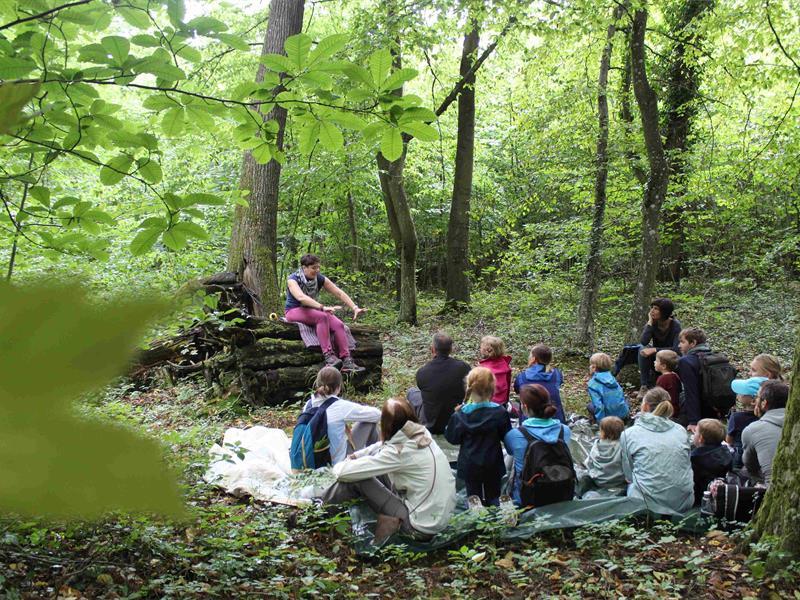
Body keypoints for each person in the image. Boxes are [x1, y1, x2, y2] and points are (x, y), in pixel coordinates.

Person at [321, 397, 457, 543]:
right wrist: (359, 455)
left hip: (418, 527)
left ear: (386, 425)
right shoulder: (421, 433)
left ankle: (321, 509)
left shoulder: (398, 453)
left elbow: (343, 473)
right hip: (437, 518)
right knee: (368, 466)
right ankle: (324, 504)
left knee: (358, 479)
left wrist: (342, 464)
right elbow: (382, 445)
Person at [284, 253, 367, 372]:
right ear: (304, 267)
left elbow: (339, 292)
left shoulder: (319, 278)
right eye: (313, 268)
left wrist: (354, 307)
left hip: (311, 310)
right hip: (293, 311)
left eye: (318, 267)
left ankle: (346, 360)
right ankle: (329, 357)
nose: (317, 270)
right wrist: (322, 307)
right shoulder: (293, 279)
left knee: (339, 324)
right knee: (322, 317)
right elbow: (301, 297)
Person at [445, 367, 512, 506]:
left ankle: (476, 515)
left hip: (470, 464)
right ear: (492, 388)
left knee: (473, 495)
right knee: (494, 494)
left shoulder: (461, 415)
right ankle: (498, 512)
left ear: (469, 387)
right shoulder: (500, 412)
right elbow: (506, 436)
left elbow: (452, 438)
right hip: (493, 462)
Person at [620, 387, 694, 512]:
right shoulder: (680, 430)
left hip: (646, 505)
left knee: (631, 484)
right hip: (683, 502)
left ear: (645, 407)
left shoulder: (629, 434)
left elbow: (629, 473)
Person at [503, 384, 572, 506]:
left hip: (528, 497)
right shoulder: (564, 430)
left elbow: (509, 452)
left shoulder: (515, 435)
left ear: (524, 406)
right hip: (562, 493)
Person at [299, 366, 381, 466]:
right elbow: (377, 415)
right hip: (338, 464)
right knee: (369, 422)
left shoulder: (308, 405)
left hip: (309, 463)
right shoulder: (340, 406)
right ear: (338, 387)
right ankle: (376, 462)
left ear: (317, 384)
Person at [612, 298, 682, 395]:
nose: (652, 311)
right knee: (642, 349)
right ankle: (644, 386)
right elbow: (644, 342)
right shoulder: (653, 323)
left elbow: (677, 350)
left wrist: (654, 349)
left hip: (671, 356)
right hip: (657, 356)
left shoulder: (675, 325)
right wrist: (649, 323)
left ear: (664, 312)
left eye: (656, 309)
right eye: (652, 308)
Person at [407, 333, 471, 434]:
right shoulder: (464, 367)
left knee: (411, 392)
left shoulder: (423, 372)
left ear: (433, 349)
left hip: (432, 424)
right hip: (456, 418)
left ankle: (416, 426)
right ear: (451, 349)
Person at [741, 380, 788, 486]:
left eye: (757, 397)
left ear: (764, 403)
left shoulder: (753, 430)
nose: (754, 401)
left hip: (773, 493)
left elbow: (750, 467)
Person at [513, 344, 565, 423]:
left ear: (533, 359)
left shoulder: (522, 377)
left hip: (528, 423)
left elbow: (517, 390)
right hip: (556, 420)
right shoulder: (557, 374)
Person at [676, 327, 714, 433]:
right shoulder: (712, 356)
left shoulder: (686, 361)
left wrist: (693, 421)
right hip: (715, 410)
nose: (679, 345)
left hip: (699, 412)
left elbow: (691, 392)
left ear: (693, 343)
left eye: (682, 342)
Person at [579, 416, 626, 499]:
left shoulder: (596, 445)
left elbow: (589, 463)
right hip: (619, 481)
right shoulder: (623, 446)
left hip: (599, 481)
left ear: (603, 432)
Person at [690, 419, 733, 505]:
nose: (693, 435)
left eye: (695, 433)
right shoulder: (726, 452)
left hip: (700, 497)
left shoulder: (696, 458)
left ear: (700, 439)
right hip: (720, 494)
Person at [726, 377, 762, 469]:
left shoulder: (736, 417)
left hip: (740, 456)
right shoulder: (764, 417)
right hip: (759, 456)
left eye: (742, 393)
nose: (738, 395)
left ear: (753, 401)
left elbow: (729, 440)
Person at [586, 352, 628, 423]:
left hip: (608, 417)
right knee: (626, 400)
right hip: (622, 415)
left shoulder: (593, 384)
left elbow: (599, 406)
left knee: (590, 405)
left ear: (594, 367)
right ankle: (625, 417)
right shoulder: (612, 379)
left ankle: (594, 421)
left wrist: (602, 423)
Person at [477, 336, 513, 409]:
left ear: (487, 350)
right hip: (502, 403)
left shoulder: (483, 369)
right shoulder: (504, 364)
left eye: (481, 347)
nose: (480, 349)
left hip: (488, 405)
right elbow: (508, 385)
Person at [654, 350, 682, 416]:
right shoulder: (675, 375)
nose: (654, 362)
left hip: (666, 411)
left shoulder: (663, 379)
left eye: (656, 361)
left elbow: (657, 396)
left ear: (663, 366)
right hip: (675, 409)